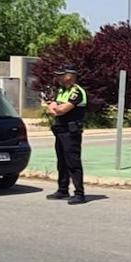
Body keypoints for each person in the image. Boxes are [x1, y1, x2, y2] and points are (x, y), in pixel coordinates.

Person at [44, 64, 87, 205]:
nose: (59, 77)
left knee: (73, 162)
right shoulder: (61, 90)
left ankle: (79, 193)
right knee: (61, 162)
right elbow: (51, 107)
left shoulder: (77, 92)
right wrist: (52, 104)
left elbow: (61, 110)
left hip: (71, 132)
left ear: (71, 76)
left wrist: (54, 107)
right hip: (60, 130)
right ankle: (62, 190)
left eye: (62, 75)